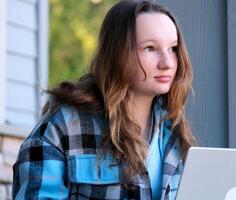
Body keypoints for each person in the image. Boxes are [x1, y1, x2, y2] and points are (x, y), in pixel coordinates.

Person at [12, 0, 196, 199]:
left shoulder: (173, 131)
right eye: (150, 48)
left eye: (173, 49)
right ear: (117, 54)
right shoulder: (62, 127)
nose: (167, 63)